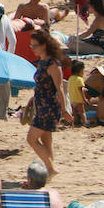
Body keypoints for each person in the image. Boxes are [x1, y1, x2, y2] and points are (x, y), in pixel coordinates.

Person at [26, 28, 72, 178]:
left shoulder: (53, 64)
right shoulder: (42, 62)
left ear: (44, 45)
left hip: (49, 107)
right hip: (41, 104)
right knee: (46, 139)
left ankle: (51, 168)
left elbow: (59, 88)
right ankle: (50, 169)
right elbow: (41, 85)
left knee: (31, 139)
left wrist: (65, 110)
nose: (32, 49)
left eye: (35, 46)